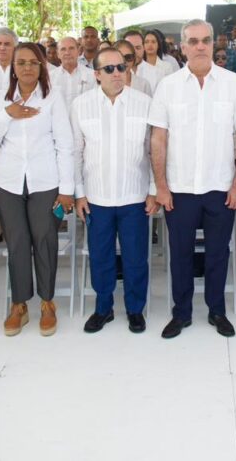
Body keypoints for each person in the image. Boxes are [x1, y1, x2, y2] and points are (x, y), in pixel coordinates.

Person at [149, 19, 236, 339]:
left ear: (213, 44)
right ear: (182, 47)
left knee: (218, 254)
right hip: (179, 188)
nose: (199, 46)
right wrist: (161, 186)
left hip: (220, 187)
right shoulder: (168, 86)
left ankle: (216, 311)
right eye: (193, 41)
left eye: (205, 40)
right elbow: (158, 138)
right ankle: (181, 313)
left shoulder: (233, 84)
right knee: (180, 254)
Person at [0, 43, 73, 336]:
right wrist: (7, 114)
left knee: (44, 239)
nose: (27, 68)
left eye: (33, 62)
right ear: (13, 68)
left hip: (45, 181)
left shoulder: (53, 98)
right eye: (21, 63)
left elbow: (65, 144)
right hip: (7, 182)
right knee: (17, 242)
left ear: (42, 66)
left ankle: (47, 302)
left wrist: (67, 189)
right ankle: (19, 305)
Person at [72, 48, 157, 334]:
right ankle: (103, 308)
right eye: (109, 69)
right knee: (100, 257)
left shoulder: (144, 103)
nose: (117, 73)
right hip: (96, 197)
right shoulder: (81, 105)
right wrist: (79, 193)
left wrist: (154, 189)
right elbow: (75, 152)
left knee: (135, 258)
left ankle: (135, 309)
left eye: (121, 67)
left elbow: (153, 150)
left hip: (135, 196)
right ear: (96, 74)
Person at [52, 36, 97, 108]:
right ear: (58, 54)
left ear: (78, 51)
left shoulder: (92, 75)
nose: (67, 53)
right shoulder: (50, 77)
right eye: (63, 49)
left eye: (71, 48)